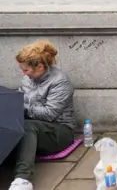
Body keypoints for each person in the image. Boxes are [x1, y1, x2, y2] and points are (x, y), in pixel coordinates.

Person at [9, 40, 75, 190]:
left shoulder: (60, 82)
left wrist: (22, 108)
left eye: (26, 70)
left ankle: (22, 179)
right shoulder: (28, 79)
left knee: (27, 126)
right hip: (35, 126)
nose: (23, 74)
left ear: (39, 66)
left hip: (60, 131)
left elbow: (49, 114)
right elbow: (20, 99)